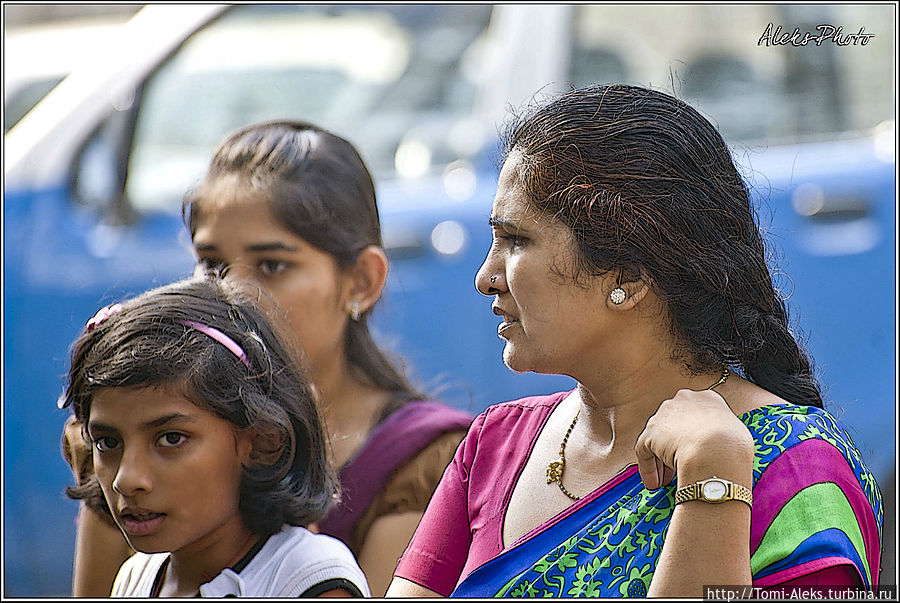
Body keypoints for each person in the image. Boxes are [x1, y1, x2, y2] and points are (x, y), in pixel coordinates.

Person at [387, 84, 883, 597]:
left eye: (517, 241)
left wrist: (713, 481)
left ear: (629, 276)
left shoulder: (796, 469)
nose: (486, 277)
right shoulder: (495, 446)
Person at [62, 120, 472, 596]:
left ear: (361, 280)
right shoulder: (132, 434)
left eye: (273, 266)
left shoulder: (419, 461)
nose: (233, 290)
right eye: (212, 264)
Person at [59, 276, 371, 597]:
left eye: (171, 439)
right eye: (108, 443)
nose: (126, 480)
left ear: (262, 442)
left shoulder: (307, 579)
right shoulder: (136, 577)